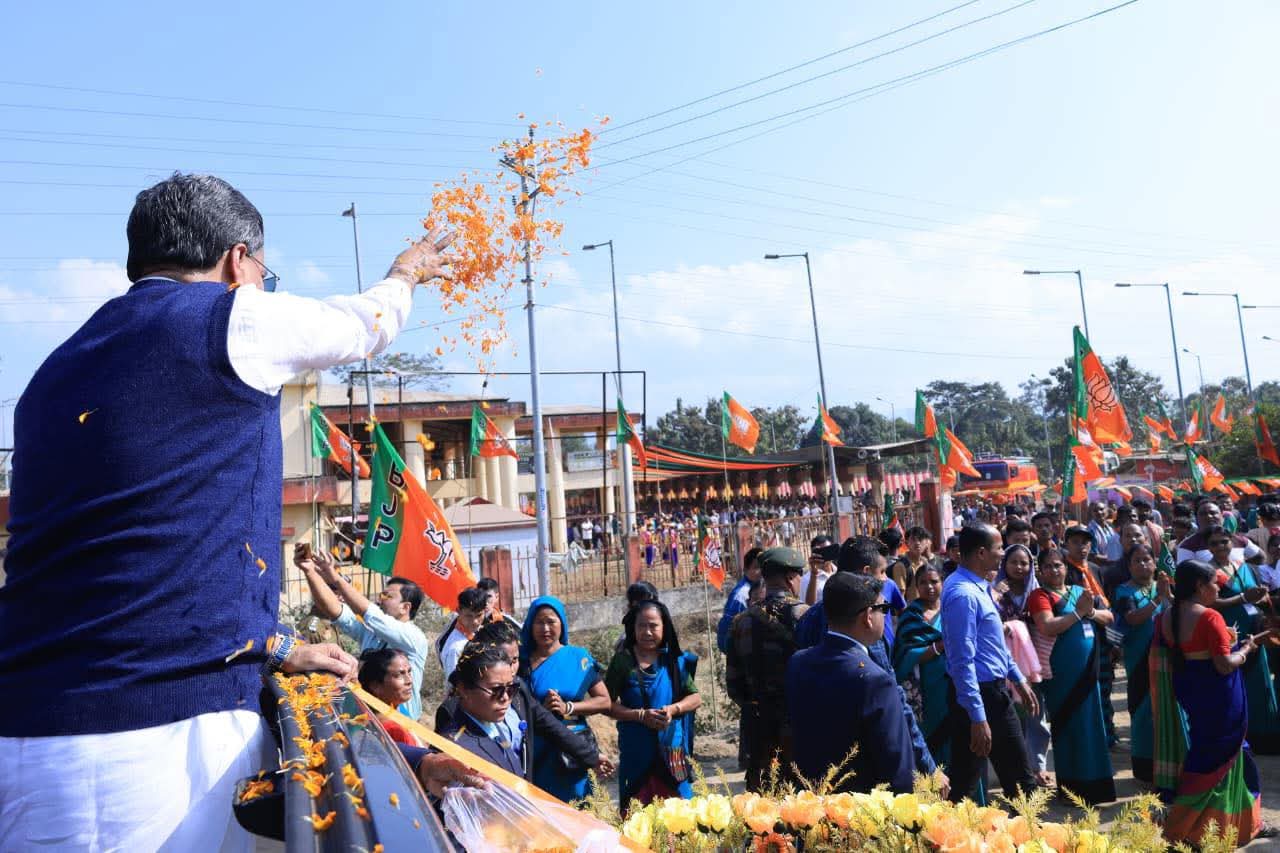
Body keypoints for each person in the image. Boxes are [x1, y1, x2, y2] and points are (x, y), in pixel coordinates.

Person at [0, 172, 464, 850]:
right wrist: (405, 274)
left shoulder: (56, 367)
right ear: (236, 260)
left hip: (27, 730)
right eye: (263, 275)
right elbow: (362, 326)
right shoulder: (228, 315)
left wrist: (278, 644)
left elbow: (144, 553)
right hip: (146, 744)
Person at [795, 537, 942, 785]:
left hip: (816, 762)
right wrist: (928, 765)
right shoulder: (864, 629)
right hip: (864, 764)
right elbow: (895, 700)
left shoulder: (810, 618)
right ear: (865, 573)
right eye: (882, 572)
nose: (885, 579)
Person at [1156, 560, 1268, 846]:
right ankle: (1200, 830)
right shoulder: (1209, 617)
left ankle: (1237, 824)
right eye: (1214, 584)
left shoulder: (1167, 615)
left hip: (1192, 689)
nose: (1218, 589)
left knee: (1210, 754)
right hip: (1218, 694)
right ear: (1199, 586)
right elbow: (1223, 664)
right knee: (1225, 755)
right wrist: (1246, 648)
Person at [436, 622, 610, 788]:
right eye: (504, 660)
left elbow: (552, 727)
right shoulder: (455, 715)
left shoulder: (517, 689)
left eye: (515, 660)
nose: (511, 669)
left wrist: (591, 756)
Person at [789, 573, 916, 793]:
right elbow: (899, 770)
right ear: (868, 617)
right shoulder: (875, 680)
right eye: (883, 608)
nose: (885, 615)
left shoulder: (798, 662)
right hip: (862, 807)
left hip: (811, 802)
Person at [940, 524, 1040, 804]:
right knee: (1018, 784)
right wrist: (978, 716)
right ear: (981, 553)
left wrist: (1018, 678)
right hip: (981, 696)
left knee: (967, 783)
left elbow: (992, 644)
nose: (1003, 554)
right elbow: (962, 661)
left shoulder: (979, 586)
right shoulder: (963, 594)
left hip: (989, 692)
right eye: (999, 548)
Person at [296, 545, 430, 720]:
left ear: (405, 607)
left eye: (387, 596)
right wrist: (310, 572)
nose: (380, 600)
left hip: (403, 723)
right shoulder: (372, 631)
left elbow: (370, 613)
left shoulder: (413, 637)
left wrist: (334, 577)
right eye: (381, 595)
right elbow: (335, 610)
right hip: (371, 719)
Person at [1027, 547, 1116, 804]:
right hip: (1062, 675)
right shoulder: (1040, 596)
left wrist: (1090, 612)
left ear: (1066, 568)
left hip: (1088, 670)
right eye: (1048, 566)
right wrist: (1077, 614)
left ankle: (1097, 787)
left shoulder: (1081, 591)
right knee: (1069, 728)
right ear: (1040, 571)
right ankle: (1073, 791)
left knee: (1092, 725)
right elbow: (1047, 626)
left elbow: (1109, 617)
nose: (1054, 570)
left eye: (1058, 565)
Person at [605, 599, 701, 811]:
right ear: (633, 627)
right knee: (636, 815)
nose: (647, 632)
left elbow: (695, 698)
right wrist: (640, 715)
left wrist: (673, 709)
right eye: (641, 625)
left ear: (664, 627)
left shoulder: (674, 661)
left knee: (680, 817)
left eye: (653, 626)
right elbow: (605, 704)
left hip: (671, 753)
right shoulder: (622, 662)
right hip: (636, 752)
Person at [725, 547, 808, 791]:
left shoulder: (741, 622)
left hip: (759, 726)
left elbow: (734, 685)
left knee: (764, 798)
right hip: (800, 724)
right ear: (791, 578)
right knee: (805, 799)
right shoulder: (806, 616)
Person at [519, 596, 612, 801]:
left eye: (551, 621)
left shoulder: (578, 658)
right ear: (530, 625)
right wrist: (539, 709)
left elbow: (604, 700)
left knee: (578, 805)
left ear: (562, 624)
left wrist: (568, 707)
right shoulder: (518, 661)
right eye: (539, 622)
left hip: (572, 749)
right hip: (535, 748)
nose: (545, 628)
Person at [1205, 525, 1280, 754]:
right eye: (1215, 543)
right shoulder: (1208, 572)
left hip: (1255, 631)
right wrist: (1242, 598)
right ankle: (1243, 739)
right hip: (1229, 634)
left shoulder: (1244, 566)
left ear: (1232, 542)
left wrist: (1261, 596)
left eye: (1224, 541)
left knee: (1260, 682)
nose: (1220, 546)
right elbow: (1209, 602)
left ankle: (1266, 737)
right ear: (1208, 547)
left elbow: (1256, 597)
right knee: (1238, 685)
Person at [1112, 543, 1172, 784]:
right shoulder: (1124, 591)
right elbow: (1132, 618)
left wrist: (1168, 595)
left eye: (1147, 559)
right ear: (1129, 566)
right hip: (1139, 659)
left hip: (1166, 658)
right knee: (1142, 711)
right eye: (1137, 560)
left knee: (1164, 710)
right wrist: (1158, 598)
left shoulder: (1163, 585)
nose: (1143, 564)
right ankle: (1145, 767)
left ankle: (1167, 763)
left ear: (1155, 563)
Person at [993, 543, 1049, 787]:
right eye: (1013, 562)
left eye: (1024, 563)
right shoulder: (995, 590)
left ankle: (1037, 766)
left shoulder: (1036, 592)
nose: (1019, 567)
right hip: (1004, 659)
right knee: (1010, 714)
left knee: (1035, 712)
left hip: (1033, 659)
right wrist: (995, 595)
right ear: (1004, 564)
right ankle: (1016, 769)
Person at [892, 565, 952, 772]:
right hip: (926, 688)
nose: (929, 587)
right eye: (923, 583)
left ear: (942, 582)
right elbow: (904, 654)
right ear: (916, 586)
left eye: (934, 581)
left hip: (957, 683)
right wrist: (939, 646)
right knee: (932, 736)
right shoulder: (910, 616)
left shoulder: (952, 609)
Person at [359, 649, 423, 747]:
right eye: (399, 675)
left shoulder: (398, 711)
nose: (409, 680)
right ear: (376, 686)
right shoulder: (393, 729)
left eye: (409, 672)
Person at [1177, 499, 1265, 565]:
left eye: (1213, 513)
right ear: (1196, 518)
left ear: (1222, 516)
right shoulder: (1188, 545)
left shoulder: (1239, 540)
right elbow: (1185, 573)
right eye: (1203, 514)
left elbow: (1260, 557)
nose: (1209, 516)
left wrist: (1244, 570)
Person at [439, 587, 489, 687]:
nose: (475, 621)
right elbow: (454, 686)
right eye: (469, 616)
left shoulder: (480, 633)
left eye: (479, 615)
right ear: (458, 611)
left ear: (485, 611)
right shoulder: (456, 648)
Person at [716, 547, 763, 653]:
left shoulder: (759, 587)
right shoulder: (741, 595)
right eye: (756, 567)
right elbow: (727, 628)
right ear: (745, 570)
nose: (761, 571)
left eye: (762, 567)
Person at [891, 525, 934, 602]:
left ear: (927, 542)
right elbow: (900, 597)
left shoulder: (925, 562)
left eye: (920, 539)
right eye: (913, 539)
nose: (917, 543)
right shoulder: (901, 566)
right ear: (907, 543)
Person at [800, 535, 834, 605]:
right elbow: (808, 606)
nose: (824, 555)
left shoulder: (839, 570)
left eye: (827, 550)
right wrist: (814, 575)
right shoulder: (807, 579)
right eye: (820, 552)